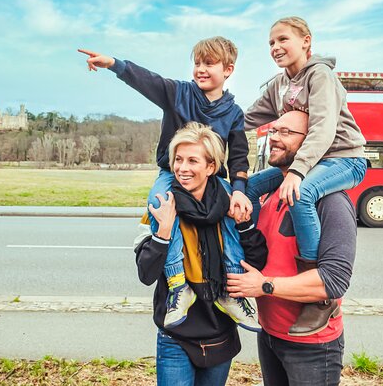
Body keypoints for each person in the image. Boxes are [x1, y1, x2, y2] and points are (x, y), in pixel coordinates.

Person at [78, 39, 258, 331]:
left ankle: (231, 289)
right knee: (161, 205)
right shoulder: (179, 93)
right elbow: (148, 80)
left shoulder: (234, 112)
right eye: (197, 63)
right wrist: (114, 64)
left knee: (231, 210)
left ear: (228, 70)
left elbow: (239, 156)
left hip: (213, 178)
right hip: (172, 173)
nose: (200, 69)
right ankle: (178, 285)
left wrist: (238, 189)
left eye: (208, 64)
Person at [241, 16, 366, 336]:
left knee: (302, 193)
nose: (275, 47)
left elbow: (323, 129)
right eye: (271, 42)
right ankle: (252, 255)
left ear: (306, 41)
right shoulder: (279, 84)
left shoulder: (321, 76)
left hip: (342, 158)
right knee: (250, 187)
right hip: (312, 162)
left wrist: (296, 172)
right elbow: (247, 119)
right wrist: (207, 126)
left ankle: (319, 299)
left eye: (283, 39)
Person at [227, 110, 357, 386]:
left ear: (311, 142)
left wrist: (264, 286)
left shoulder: (331, 202)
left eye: (286, 132)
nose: (274, 138)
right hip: (270, 334)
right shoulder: (272, 193)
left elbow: (333, 281)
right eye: (274, 130)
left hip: (311, 347)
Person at [135, 122, 268, 386]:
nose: (182, 169)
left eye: (192, 161)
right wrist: (162, 232)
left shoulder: (232, 202)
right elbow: (146, 273)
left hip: (221, 334)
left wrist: (243, 223)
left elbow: (256, 260)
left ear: (210, 167)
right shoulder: (161, 205)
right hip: (176, 336)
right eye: (178, 160)